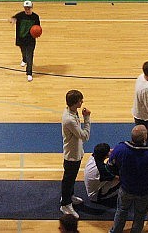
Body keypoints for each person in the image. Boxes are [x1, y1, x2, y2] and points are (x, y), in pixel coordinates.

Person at [107, 125, 148, 233]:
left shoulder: (120, 149)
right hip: (144, 192)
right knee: (140, 214)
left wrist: (119, 176)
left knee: (121, 211)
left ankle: (115, 231)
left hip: (125, 189)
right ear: (145, 138)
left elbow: (110, 165)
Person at [60, 89, 91, 218]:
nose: (82, 102)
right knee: (68, 180)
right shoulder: (69, 120)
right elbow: (84, 136)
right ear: (74, 103)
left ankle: (69, 196)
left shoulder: (72, 111)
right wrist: (87, 119)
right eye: (80, 100)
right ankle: (65, 204)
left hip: (76, 152)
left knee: (71, 179)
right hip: (71, 155)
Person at [9, 0, 40, 82]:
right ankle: (24, 59)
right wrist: (12, 20)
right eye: (26, 8)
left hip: (30, 40)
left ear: (32, 8)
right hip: (21, 38)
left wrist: (37, 33)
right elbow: (13, 18)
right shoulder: (20, 15)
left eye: (29, 8)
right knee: (23, 52)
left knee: (30, 55)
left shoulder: (35, 17)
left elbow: (38, 28)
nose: (27, 9)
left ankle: (29, 73)